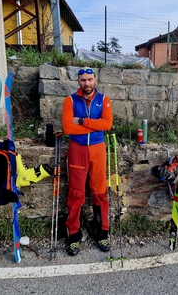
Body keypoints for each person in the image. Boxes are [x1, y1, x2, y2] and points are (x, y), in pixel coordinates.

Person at [62, 67, 113, 256]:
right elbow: (68, 128)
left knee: (100, 192)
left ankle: (102, 232)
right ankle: (74, 236)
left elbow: (107, 124)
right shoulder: (70, 100)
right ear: (78, 82)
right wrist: (94, 125)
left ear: (95, 80)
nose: (87, 83)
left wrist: (83, 122)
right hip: (77, 150)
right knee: (76, 193)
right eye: (83, 80)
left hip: (98, 150)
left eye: (90, 79)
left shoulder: (104, 100)